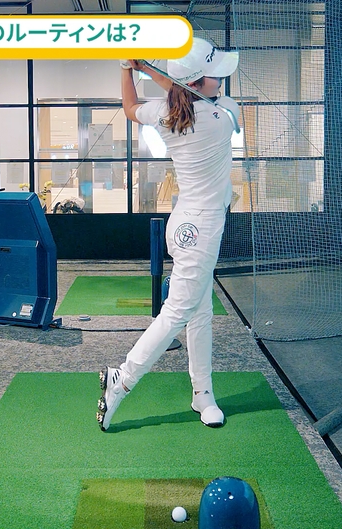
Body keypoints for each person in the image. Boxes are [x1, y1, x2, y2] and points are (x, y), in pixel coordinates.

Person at [97, 38, 240, 431]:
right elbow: (188, 93)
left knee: (200, 310)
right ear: (196, 84)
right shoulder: (224, 116)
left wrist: (129, 68)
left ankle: (203, 393)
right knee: (177, 312)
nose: (221, 81)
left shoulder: (167, 112)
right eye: (214, 75)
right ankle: (122, 379)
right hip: (202, 227)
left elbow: (131, 109)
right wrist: (147, 69)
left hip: (183, 223)